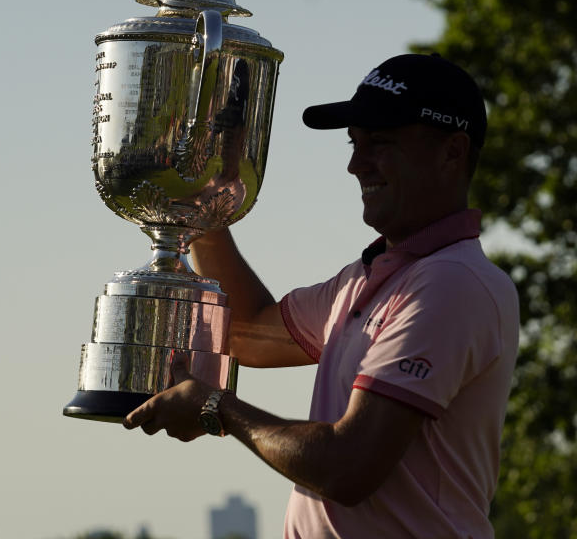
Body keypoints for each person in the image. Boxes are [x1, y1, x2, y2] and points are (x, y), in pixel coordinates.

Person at [123, 53, 520, 539]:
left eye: (381, 143)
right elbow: (248, 332)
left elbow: (347, 467)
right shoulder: (369, 278)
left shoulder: (450, 284)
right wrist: (205, 204)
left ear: (452, 153)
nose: (356, 164)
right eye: (355, 144)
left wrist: (217, 408)